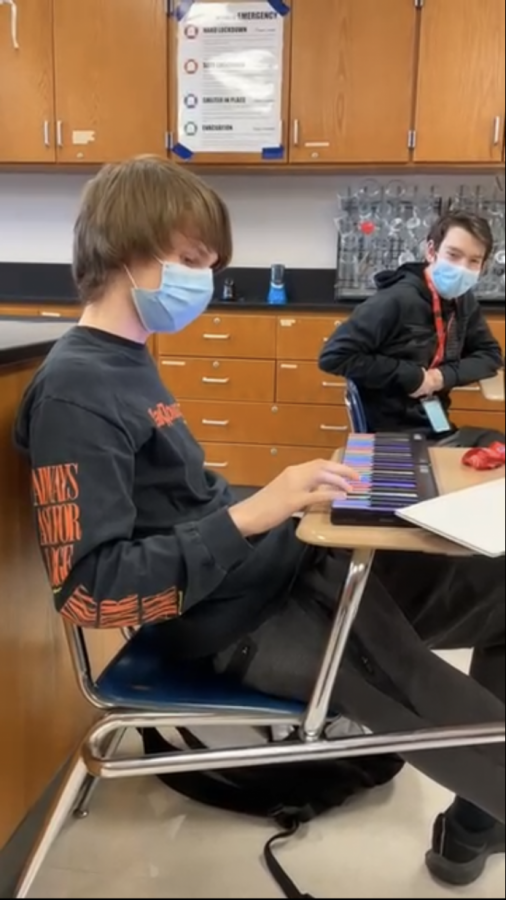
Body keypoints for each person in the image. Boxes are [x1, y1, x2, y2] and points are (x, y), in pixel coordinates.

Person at [14, 158, 504, 888]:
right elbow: (92, 593)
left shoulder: (126, 360)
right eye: (187, 260)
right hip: (240, 624)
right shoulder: (76, 391)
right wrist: (253, 511)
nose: (201, 281)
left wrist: (287, 500)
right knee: (449, 711)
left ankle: (472, 828)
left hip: (283, 568)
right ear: (122, 250)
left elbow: (181, 505)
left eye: (208, 263)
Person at [320, 211, 504, 443]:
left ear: (483, 266)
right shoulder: (396, 300)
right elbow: (334, 356)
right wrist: (412, 376)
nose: (462, 268)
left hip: (434, 421)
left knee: (496, 445)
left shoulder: (463, 300)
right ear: (431, 251)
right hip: (392, 432)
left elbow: (490, 355)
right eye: (453, 255)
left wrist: (440, 378)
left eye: (473, 261)